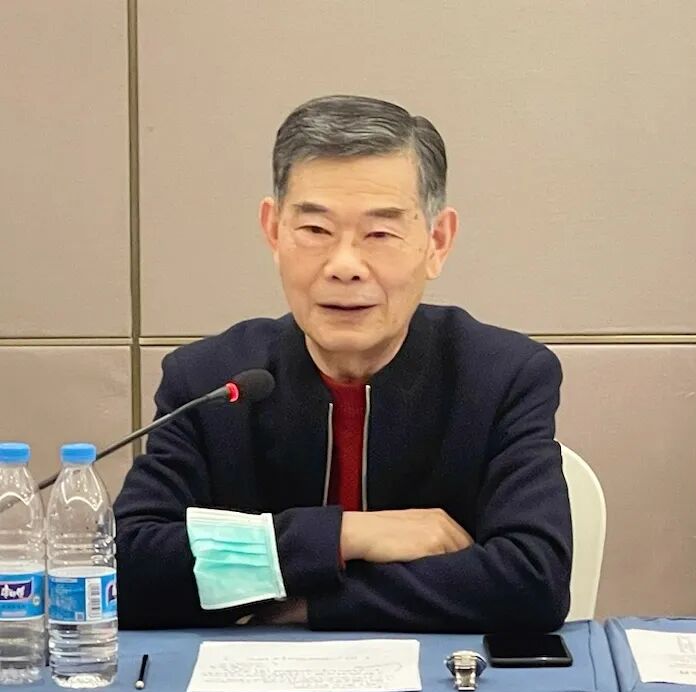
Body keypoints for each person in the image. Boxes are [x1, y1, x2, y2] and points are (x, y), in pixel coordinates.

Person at [115, 95, 572, 632]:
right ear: (273, 231)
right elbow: (125, 569)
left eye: (380, 233)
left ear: (437, 242)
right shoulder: (211, 380)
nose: (345, 265)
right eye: (315, 231)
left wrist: (307, 605)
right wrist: (343, 535)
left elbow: (532, 581)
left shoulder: (501, 377)